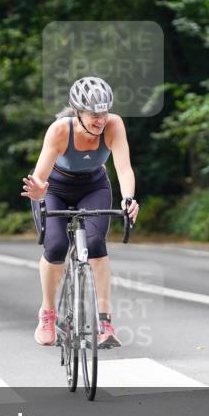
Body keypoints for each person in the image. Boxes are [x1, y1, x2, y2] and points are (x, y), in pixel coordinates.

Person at [21, 77, 140, 348]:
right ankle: (48, 313)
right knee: (56, 246)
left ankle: (105, 322)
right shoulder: (60, 131)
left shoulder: (114, 125)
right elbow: (40, 178)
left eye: (104, 112)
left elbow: (123, 168)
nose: (101, 120)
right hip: (54, 188)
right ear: (77, 111)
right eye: (94, 114)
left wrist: (128, 199)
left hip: (93, 186)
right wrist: (38, 193)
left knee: (97, 244)